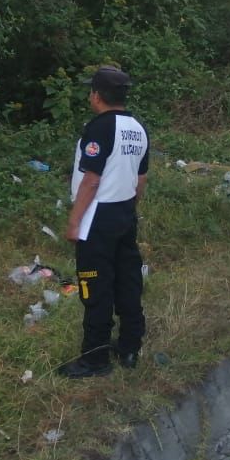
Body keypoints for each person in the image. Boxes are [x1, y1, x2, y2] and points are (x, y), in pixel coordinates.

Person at [61, 65, 149, 379]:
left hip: (97, 217)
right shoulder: (138, 128)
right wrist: (128, 209)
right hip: (125, 212)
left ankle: (95, 359)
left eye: (90, 91)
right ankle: (129, 346)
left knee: (95, 285)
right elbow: (141, 179)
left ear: (97, 96)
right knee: (127, 280)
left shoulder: (99, 128)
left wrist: (74, 222)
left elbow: (91, 180)